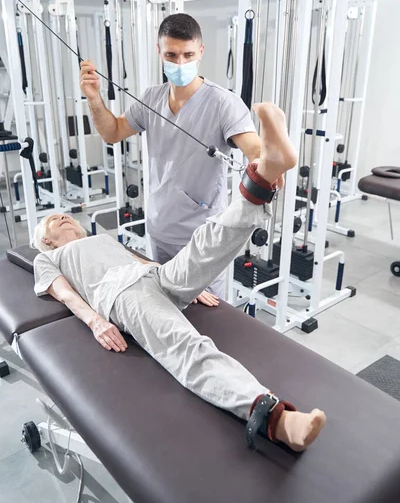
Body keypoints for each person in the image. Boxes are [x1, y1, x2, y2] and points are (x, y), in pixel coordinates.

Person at [32, 102, 326, 452]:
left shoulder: (98, 238)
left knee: (207, 243)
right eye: (54, 221)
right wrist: (95, 321)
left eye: (66, 215)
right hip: (121, 296)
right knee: (186, 345)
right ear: (46, 239)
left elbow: (136, 259)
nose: (63, 217)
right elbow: (65, 295)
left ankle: (263, 177)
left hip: (153, 276)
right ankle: (278, 420)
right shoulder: (50, 257)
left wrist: (190, 282)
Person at [80, 13, 263, 306]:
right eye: (172, 55)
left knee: (207, 320)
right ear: (159, 52)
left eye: (188, 55)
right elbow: (112, 132)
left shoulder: (223, 103)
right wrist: (93, 99)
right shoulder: (150, 98)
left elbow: (254, 149)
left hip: (202, 240)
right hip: (159, 228)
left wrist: (266, 162)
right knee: (162, 310)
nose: (180, 64)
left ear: (201, 52)